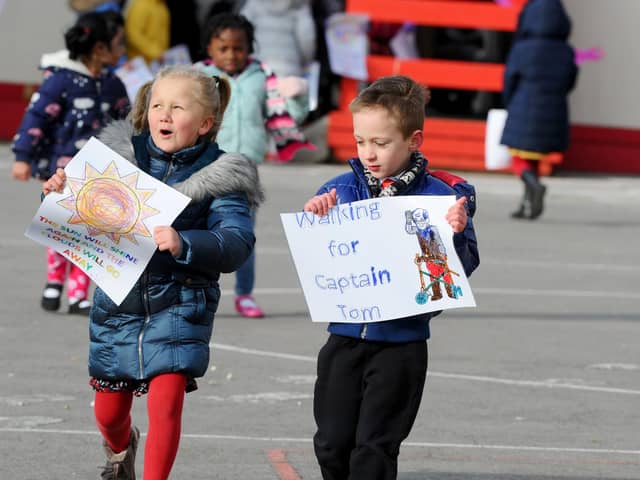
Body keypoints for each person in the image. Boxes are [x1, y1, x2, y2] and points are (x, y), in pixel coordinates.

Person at [42, 65, 262, 479]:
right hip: (118, 305)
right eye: (158, 104)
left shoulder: (223, 176)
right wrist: (59, 189)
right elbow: (77, 210)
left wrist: (186, 243)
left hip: (181, 302)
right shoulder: (116, 160)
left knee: (167, 401)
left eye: (178, 107)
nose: (164, 114)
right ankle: (122, 448)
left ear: (205, 123)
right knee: (109, 415)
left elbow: (237, 240)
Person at [302, 75, 479, 480]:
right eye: (361, 141)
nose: (369, 153)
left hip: (402, 344)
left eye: (381, 143)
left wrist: (454, 235)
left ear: (414, 140)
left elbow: (463, 269)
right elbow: (322, 255)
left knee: (376, 448)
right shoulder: (340, 188)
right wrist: (318, 215)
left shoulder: (440, 199)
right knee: (331, 443)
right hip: (344, 337)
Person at [12, 11, 130, 315]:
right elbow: (35, 116)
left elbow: (128, 123)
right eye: (119, 43)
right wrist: (23, 157)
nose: (123, 50)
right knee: (60, 227)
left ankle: (79, 293)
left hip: (100, 173)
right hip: (59, 171)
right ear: (99, 49)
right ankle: (54, 282)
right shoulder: (60, 80)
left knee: (90, 234)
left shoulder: (114, 84)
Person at [195, 12, 312, 318]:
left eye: (239, 47)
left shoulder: (263, 75)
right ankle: (196, 291)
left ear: (250, 47)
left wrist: (298, 96)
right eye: (224, 48)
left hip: (245, 170)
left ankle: (244, 294)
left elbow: (288, 117)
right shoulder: (196, 77)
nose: (232, 55)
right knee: (198, 230)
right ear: (209, 48)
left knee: (243, 233)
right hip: (203, 166)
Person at [500, 0, 578, 220]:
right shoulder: (566, 51)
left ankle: (534, 185)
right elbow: (570, 82)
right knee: (532, 157)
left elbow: (509, 81)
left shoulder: (522, 48)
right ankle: (527, 204)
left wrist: (508, 103)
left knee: (517, 156)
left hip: (522, 106)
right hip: (554, 111)